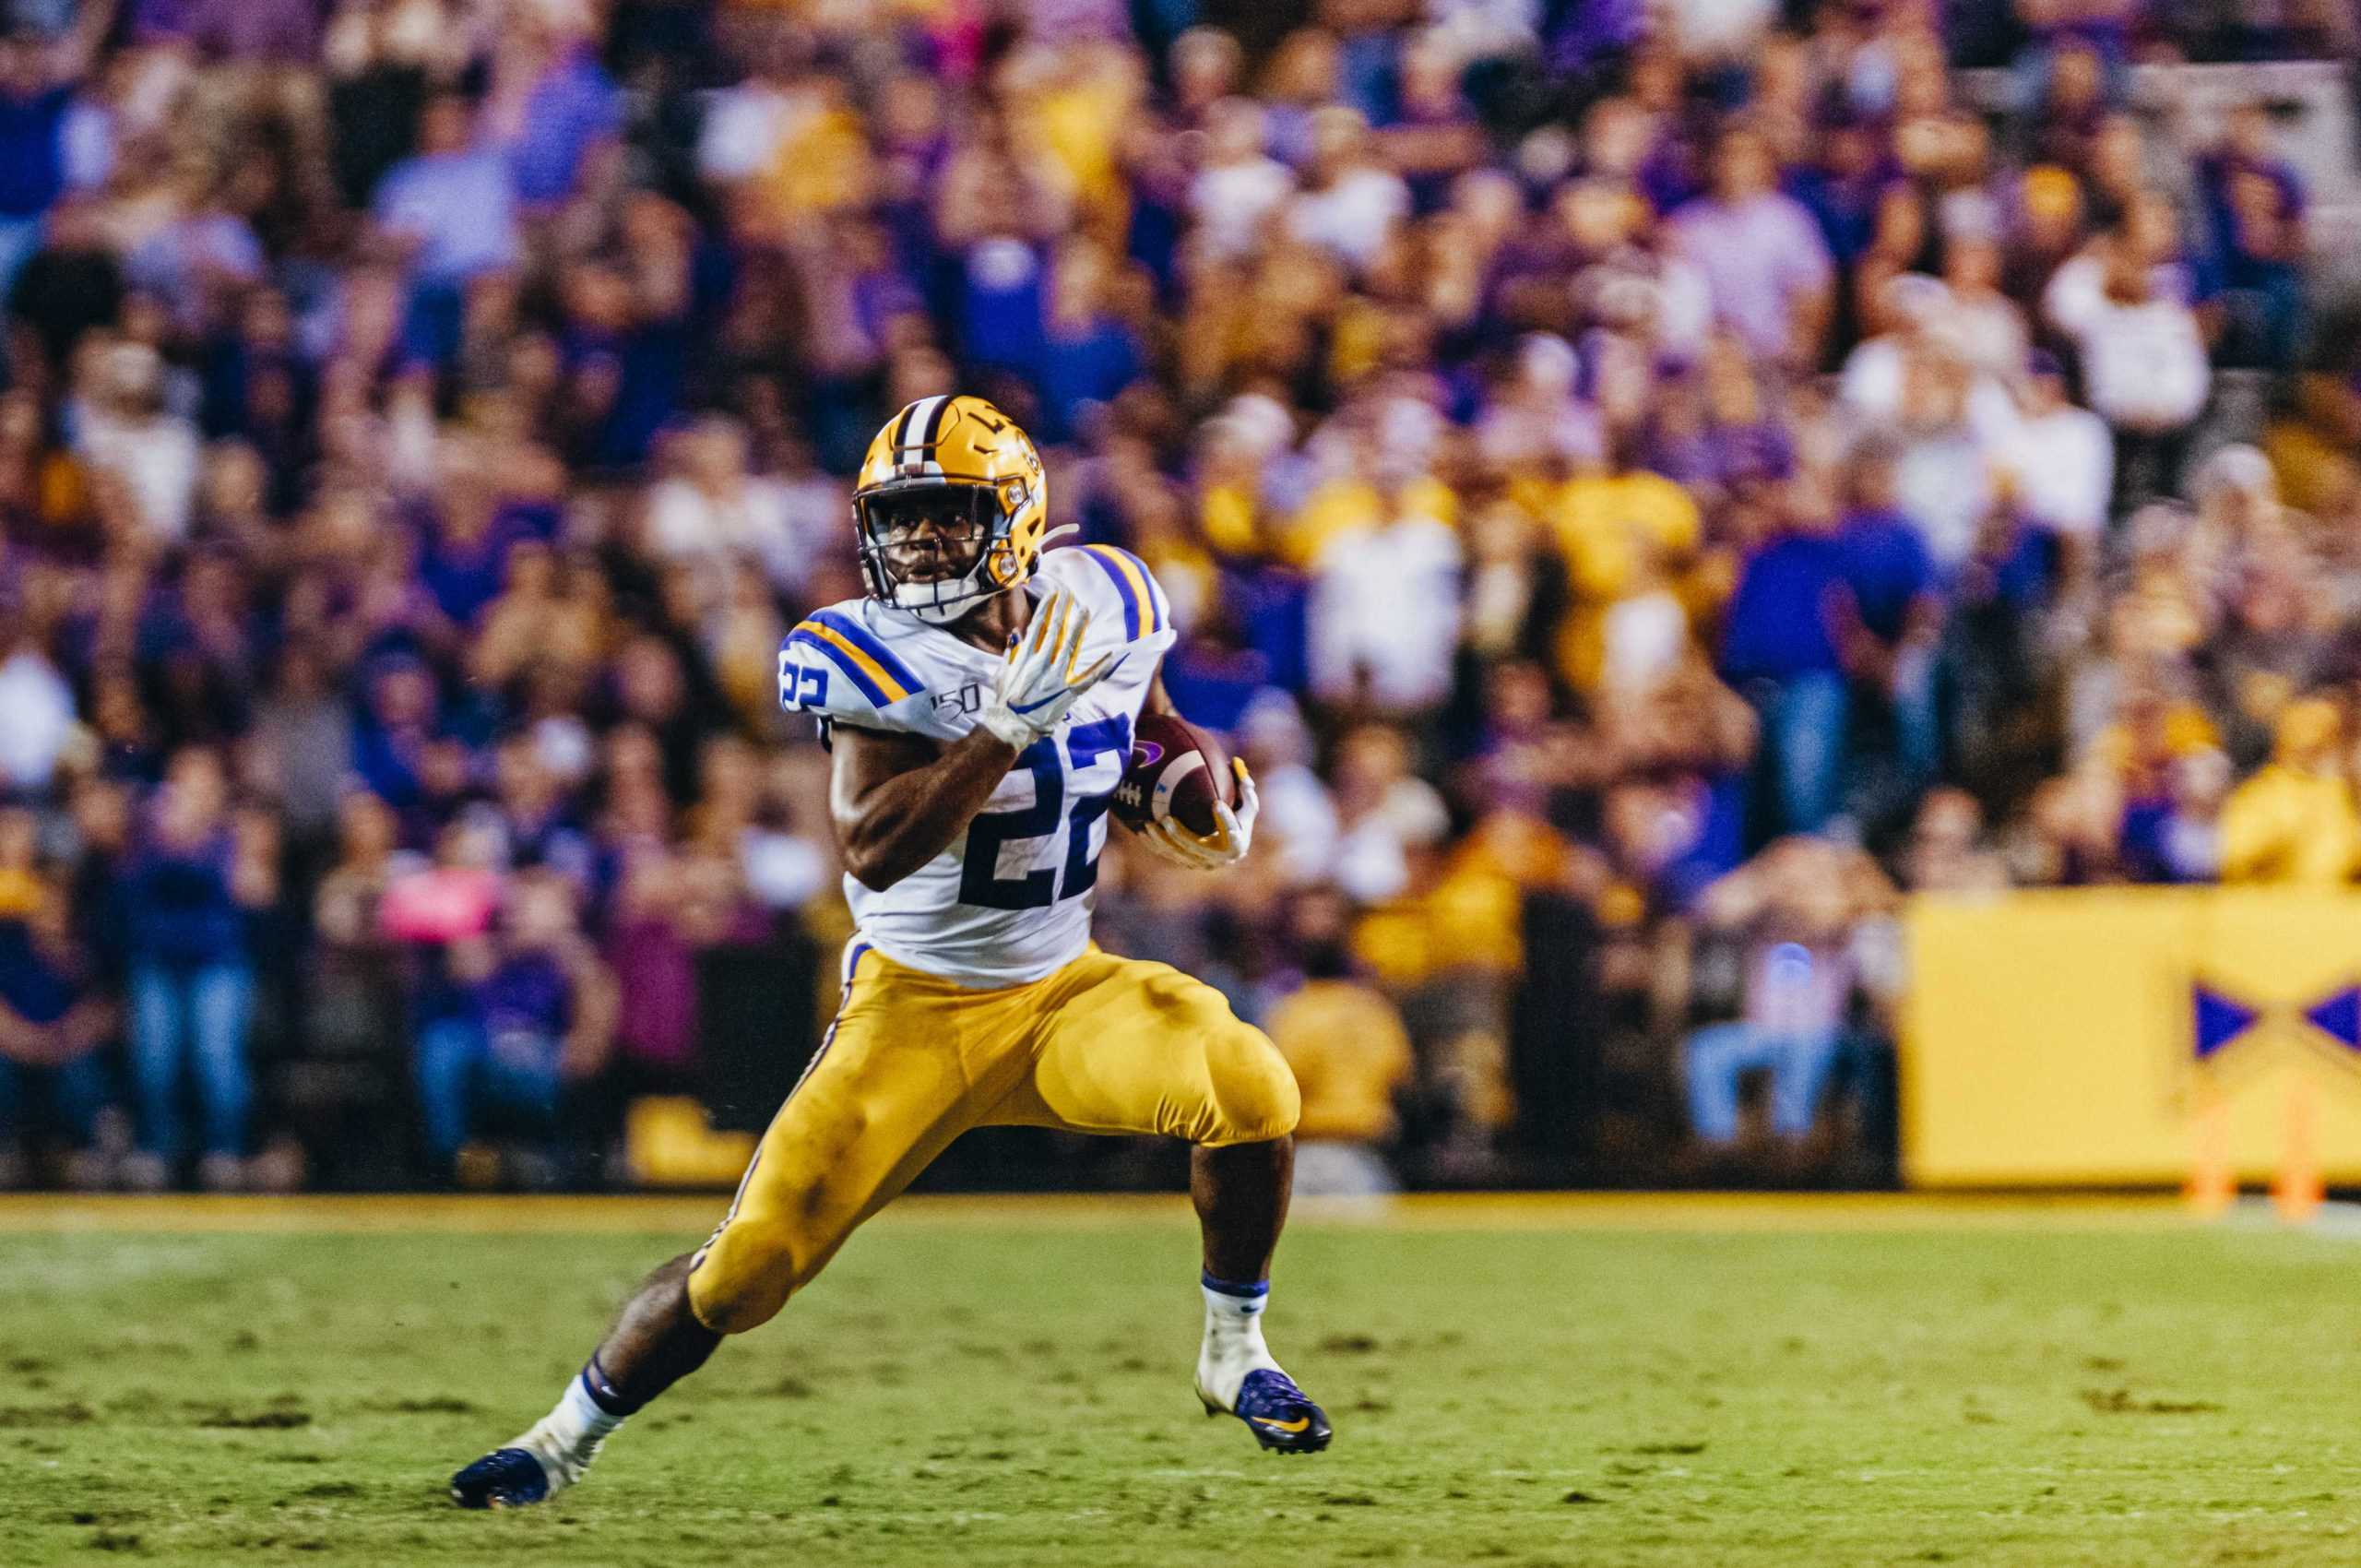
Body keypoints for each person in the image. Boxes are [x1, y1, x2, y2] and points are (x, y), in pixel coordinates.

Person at [451, 395, 1326, 1510]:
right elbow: (873, 851)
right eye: (898, 517)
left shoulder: (1106, 592)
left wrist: (1189, 786)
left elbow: (1144, 715)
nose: (915, 541)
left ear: (1013, 516)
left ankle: (1234, 1348)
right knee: (749, 1266)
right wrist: (1005, 724)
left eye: (945, 515)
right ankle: (558, 1440)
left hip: (1060, 990)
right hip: (910, 1011)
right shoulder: (865, 647)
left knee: (1250, 1081)